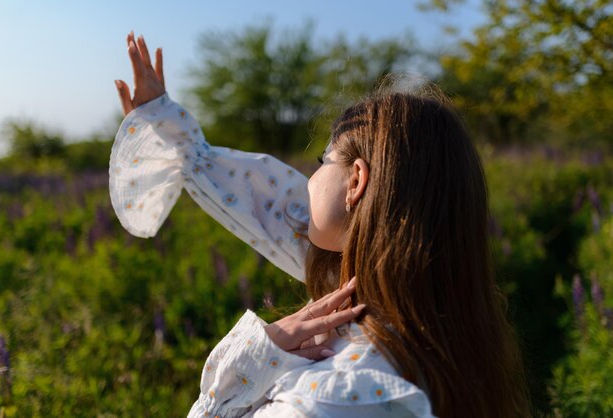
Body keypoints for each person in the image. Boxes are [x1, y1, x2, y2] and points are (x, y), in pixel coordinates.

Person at [111, 32, 530, 417]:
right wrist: (168, 128)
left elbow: (283, 207)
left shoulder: (324, 399)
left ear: (356, 181)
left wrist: (242, 371)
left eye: (321, 162)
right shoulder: (435, 328)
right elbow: (274, 204)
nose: (307, 181)